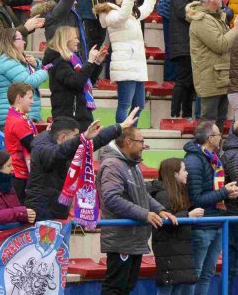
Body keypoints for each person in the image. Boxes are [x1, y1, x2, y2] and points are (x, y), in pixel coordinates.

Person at [97, 126, 176, 294]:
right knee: (115, 288)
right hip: (121, 240)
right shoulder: (113, 165)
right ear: (128, 142)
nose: (144, 146)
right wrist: (144, 214)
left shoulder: (132, 165)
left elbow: (142, 194)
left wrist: (159, 209)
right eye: (141, 142)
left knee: (126, 287)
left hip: (133, 239)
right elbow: (112, 199)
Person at [26, 113, 133, 221]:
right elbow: (60, 152)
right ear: (64, 137)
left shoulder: (60, 144)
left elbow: (91, 142)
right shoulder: (43, 150)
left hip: (56, 209)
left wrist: (118, 128)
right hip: (42, 212)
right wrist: (83, 138)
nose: (77, 139)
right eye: (76, 136)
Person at [183, 121, 238, 294]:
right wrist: (224, 192)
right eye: (218, 135)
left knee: (207, 274)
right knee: (195, 274)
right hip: (202, 225)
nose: (221, 137)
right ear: (210, 138)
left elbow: (214, 190)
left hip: (216, 222)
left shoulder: (214, 159)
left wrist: (227, 193)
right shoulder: (193, 161)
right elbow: (196, 198)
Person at [96, 0, 159, 122]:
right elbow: (122, 15)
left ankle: (131, 136)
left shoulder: (132, 13)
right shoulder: (109, 13)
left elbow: (147, 8)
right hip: (124, 64)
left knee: (139, 105)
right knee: (124, 105)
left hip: (137, 64)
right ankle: (122, 137)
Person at [149, 158, 204, 294]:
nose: (187, 173)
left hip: (179, 249)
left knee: (177, 289)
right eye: (184, 170)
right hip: (168, 250)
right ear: (174, 174)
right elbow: (165, 221)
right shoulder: (162, 194)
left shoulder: (178, 193)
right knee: (167, 290)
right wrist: (188, 216)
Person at [187, 0, 238, 123]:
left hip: (222, 76)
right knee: (208, 122)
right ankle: (203, 146)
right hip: (210, 78)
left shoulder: (217, 17)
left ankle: (216, 145)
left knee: (220, 120)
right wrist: (235, 29)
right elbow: (220, 45)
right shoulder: (201, 20)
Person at [45, 25, 106, 131]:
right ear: (65, 40)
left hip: (80, 113)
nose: (78, 41)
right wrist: (90, 62)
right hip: (69, 117)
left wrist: (96, 62)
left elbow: (87, 81)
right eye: (75, 38)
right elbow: (75, 81)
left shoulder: (73, 59)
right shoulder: (58, 61)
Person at [0, 29, 47, 129]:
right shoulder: (8, 62)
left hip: (16, 117)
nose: (24, 42)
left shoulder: (12, 60)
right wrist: (45, 71)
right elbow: (28, 82)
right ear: (11, 42)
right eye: (21, 39)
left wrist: (37, 65)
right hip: (12, 118)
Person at [169, 0, 203, 119]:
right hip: (183, 40)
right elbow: (182, 11)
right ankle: (175, 115)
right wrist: (202, 15)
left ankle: (186, 115)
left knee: (190, 81)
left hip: (189, 40)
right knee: (183, 80)